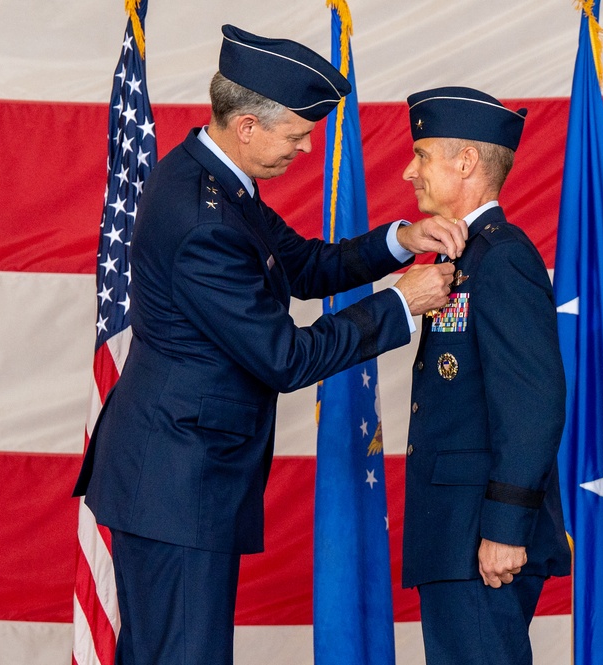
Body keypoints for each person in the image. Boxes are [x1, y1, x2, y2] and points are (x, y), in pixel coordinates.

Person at [72, 25, 465, 665]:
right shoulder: (205, 221)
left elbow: (301, 266)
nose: (307, 150)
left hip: (178, 476)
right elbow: (287, 357)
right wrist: (401, 302)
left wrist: (400, 241)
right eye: (298, 135)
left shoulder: (214, 178)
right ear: (249, 125)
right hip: (176, 485)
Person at [399, 86, 572, 665]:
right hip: (453, 531)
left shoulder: (502, 258)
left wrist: (504, 527)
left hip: (479, 535)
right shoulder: (466, 253)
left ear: (465, 162)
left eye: (422, 154)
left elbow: (535, 402)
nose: (408, 170)